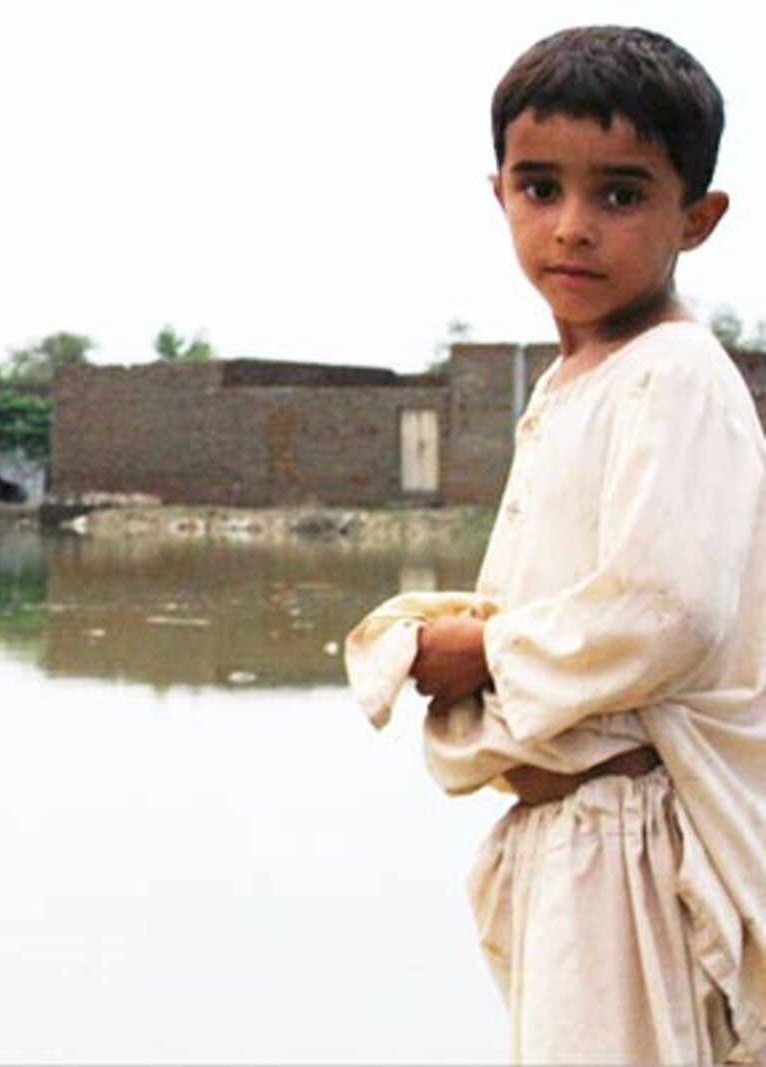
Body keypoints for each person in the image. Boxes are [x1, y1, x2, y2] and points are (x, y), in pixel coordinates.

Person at [405, 25, 764, 1063]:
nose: (571, 227)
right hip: (572, 843)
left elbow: (669, 613)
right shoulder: (576, 383)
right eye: (539, 188)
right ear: (499, 195)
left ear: (695, 217)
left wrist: (481, 654)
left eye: (619, 194)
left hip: (636, 851)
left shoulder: (673, 374)